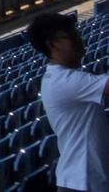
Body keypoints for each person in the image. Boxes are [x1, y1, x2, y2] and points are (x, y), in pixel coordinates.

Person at [29, 12, 109, 192]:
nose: (79, 40)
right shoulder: (65, 81)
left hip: (86, 180)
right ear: (53, 45)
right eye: (71, 36)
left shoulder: (60, 78)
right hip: (82, 182)